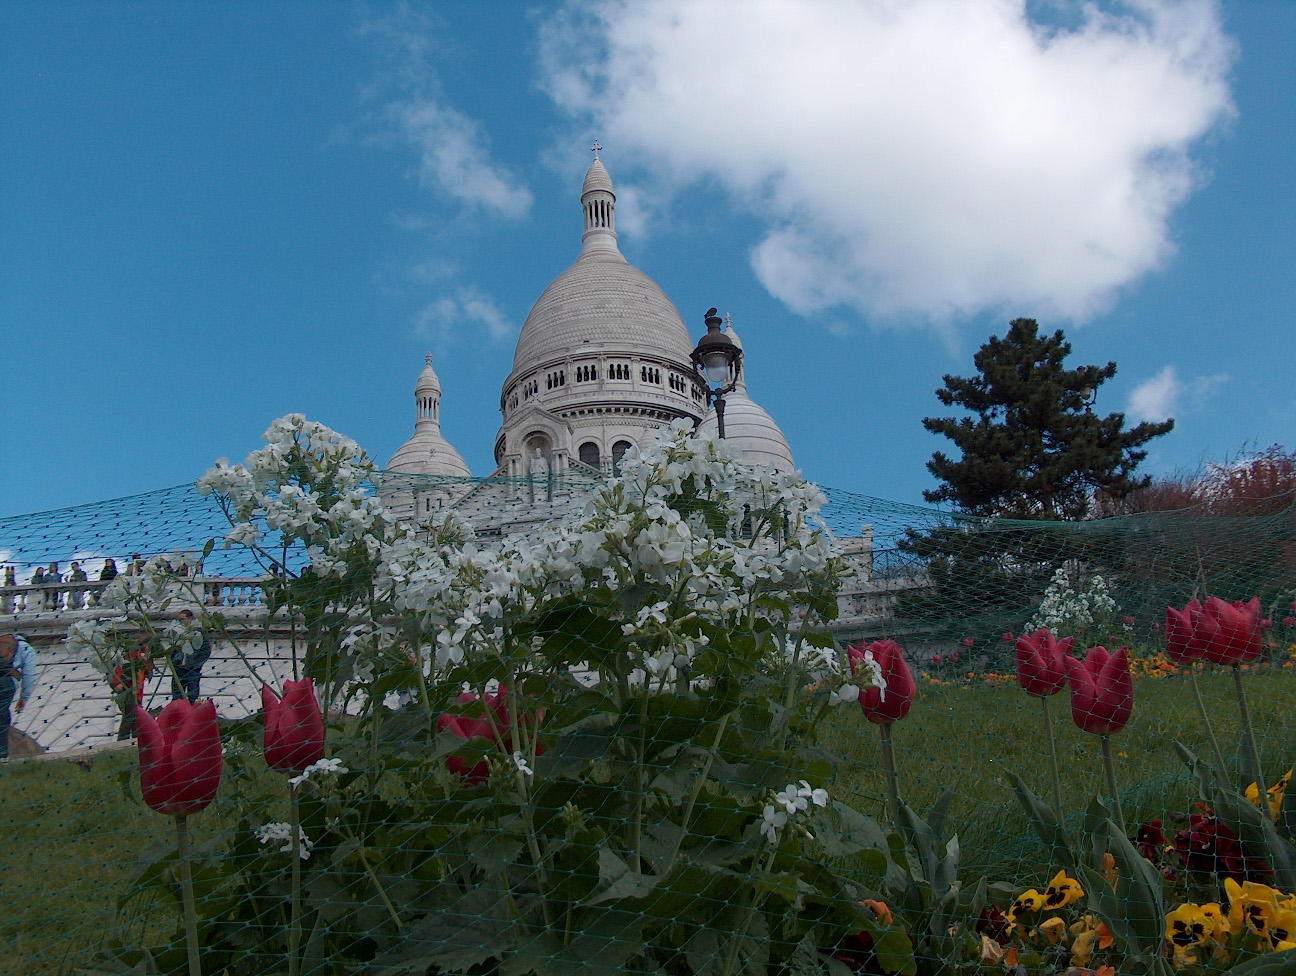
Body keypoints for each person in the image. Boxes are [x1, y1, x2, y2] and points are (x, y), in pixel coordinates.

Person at [0, 634, 37, 760]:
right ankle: (2, 755)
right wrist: (22, 701)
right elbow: (29, 678)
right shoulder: (27, 649)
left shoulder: (3, 640)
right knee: (2, 719)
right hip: (5, 684)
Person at [110, 638, 154, 740]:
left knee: (136, 719)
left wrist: (145, 660)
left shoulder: (144, 657)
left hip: (137, 694)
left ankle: (135, 741)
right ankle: (123, 742)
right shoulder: (129, 657)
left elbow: (148, 671)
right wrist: (119, 684)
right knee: (129, 718)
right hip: (129, 694)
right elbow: (119, 673)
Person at [171, 609, 211, 703]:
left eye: (183, 619)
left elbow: (206, 651)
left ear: (190, 619)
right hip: (179, 668)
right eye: (179, 620)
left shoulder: (198, 633)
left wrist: (195, 664)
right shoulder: (177, 632)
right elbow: (172, 649)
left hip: (192, 670)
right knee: (177, 697)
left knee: (193, 697)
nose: (180, 622)